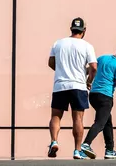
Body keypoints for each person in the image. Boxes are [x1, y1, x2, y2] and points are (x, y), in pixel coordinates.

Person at [47, 17, 97, 160]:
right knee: (78, 118)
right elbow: (94, 67)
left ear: (71, 29)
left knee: (56, 116)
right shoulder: (87, 46)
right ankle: (77, 150)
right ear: (84, 31)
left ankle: (54, 142)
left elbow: (51, 63)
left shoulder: (58, 43)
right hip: (78, 86)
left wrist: (62, 70)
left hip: (60, 85)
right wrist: (89, 80)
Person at [81, 43, 116, 160]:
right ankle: (85, 144)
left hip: (93, 96)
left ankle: (110, 150)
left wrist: (87, 81)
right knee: (100, 122)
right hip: (105, 97)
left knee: (107, 122)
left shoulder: (102, 58)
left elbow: (90, 69)